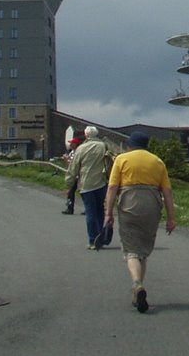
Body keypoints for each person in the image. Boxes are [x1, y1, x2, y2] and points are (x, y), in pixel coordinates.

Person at [104, 131, 176, 313]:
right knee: (143, 249)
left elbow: (112, 187)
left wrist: (108, 213)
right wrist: (171, 218)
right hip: (152, 202)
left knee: (131, 250)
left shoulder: (122, 159)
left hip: (129, 201)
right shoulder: (158, 162)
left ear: (130, 145)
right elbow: (167, 192)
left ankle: (136, 284)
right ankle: (139, 288)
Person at [65, 126, 108, 249]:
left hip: (86, 184)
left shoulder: (81, 149)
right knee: (100, 210)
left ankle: (92, 240)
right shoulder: (103, 146)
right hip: (101, 183)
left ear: (86, 135)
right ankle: (100, 237)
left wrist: (69, 182)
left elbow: (74, 167)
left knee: (90, 212)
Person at [62, 136, 82, 214]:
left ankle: (71, 208)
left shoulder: (77, 152)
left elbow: (73, 164)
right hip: (73, 175)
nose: (70, 144)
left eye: (72, 143)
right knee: (70, 192)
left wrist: (66, 160)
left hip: (76, 175)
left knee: (76, 192)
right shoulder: (72, 152)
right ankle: (69, 207)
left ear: (75, 144)